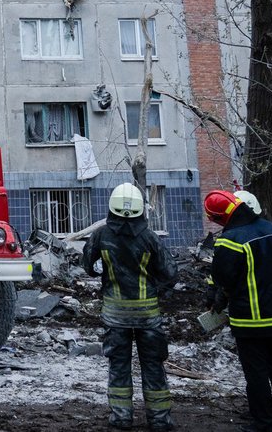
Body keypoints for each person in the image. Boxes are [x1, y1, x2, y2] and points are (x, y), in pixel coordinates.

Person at [205, 190, 272, 432]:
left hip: (250, 320)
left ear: (220, 217)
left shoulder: (230, 240)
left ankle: (264, 422)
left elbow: (223, 279)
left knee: (257, 374)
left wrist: (217, 302)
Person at [83, 183, 177, 430]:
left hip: (115, 317)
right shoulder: (150, 237)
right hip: (148, 317)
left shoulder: (101, 235)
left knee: (119, 367)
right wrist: (158, 290)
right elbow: (170, 273)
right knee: (153, 366)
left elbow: (88, 266)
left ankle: (121, 418)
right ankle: (159, 420)